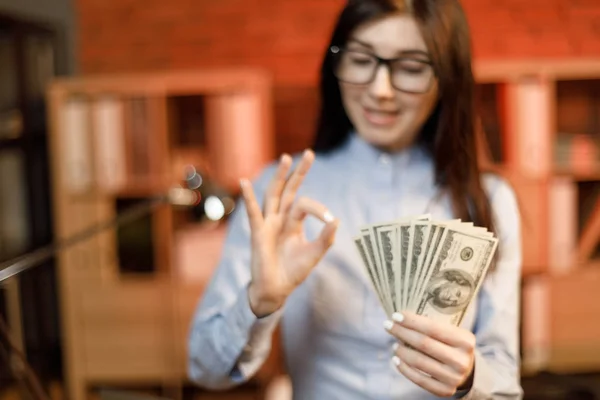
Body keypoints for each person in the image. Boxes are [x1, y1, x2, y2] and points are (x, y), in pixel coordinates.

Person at [187, 0, 523, 398]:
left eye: (411, 68)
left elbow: (505, 386)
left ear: (446, 77)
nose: (380, 91)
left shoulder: (489, 201)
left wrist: (469, 376)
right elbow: (203, 369)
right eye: (360, 60)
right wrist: (258, 301)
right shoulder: (279, 192)